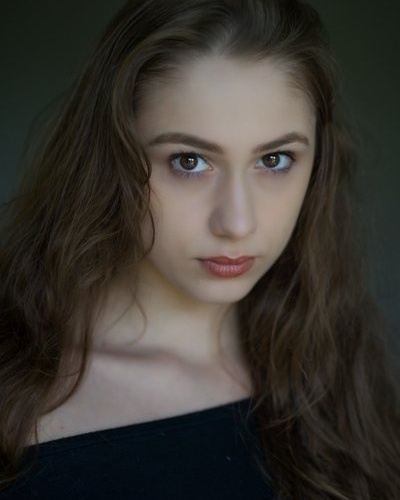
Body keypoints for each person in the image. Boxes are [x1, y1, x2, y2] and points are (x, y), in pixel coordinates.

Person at [1, 0, 399, 498]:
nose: (237, 222)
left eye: (275, 159)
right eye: (189, 161)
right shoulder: (16, 389)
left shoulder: (337, 376)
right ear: (110, 158)